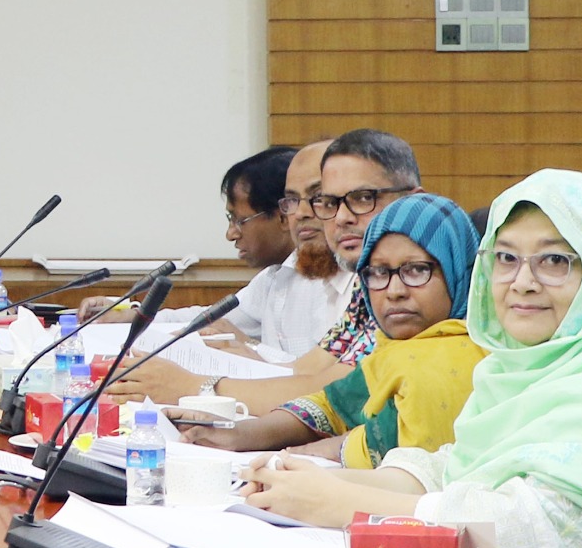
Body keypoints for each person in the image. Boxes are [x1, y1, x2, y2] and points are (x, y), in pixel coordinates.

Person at [244, 169, 582, 548]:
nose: (523, 282)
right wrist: (314, 482)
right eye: (506, 258)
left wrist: (345, 503)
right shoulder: (511, 372)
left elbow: (535, 547)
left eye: (554, 261)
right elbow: (457, 470)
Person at [107, 129, 423, 412]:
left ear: (414, 200)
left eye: (362, 198)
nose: (340, 217)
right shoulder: (367, 287)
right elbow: (308, 374)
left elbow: (336, 394)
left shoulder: (417, 282)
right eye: (329, 202)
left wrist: (193, 387)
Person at [169, 194, 484, 469]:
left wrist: (315, 452)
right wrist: (238, 434)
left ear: (459, 271)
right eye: (377, 272)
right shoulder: (394, 348)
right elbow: (332, 403)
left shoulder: (464, 356)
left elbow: (403, 451)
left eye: (416, 270)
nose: (394, 290)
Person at [81, 146, 345, 361]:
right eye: (293, 201)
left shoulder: (346, 283)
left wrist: (251, 347)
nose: (230, 234)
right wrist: (133, 314)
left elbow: (322, 380)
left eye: (239, 220)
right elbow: (209, 319)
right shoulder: (278, 277)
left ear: (279, 217)